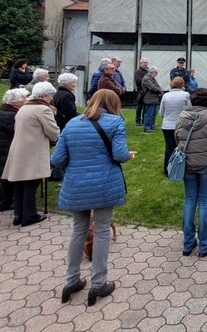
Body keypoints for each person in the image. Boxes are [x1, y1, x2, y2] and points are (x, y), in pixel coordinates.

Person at [51, 89, 133, 306]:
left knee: (78, 229)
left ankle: (71, 280)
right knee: (102, 229)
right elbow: (119, 154)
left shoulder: (72, 123)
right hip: (104, 183)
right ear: (113, 104)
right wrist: (128, 155)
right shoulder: (115, 123)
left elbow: (57, 158)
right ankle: (98, 283)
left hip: (77, 183)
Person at [2, 82, 60, 227]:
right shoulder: (42, 109)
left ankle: (18, 214)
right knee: (32, 182)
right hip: (33, 149)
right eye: (50, 95)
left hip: (18, 148)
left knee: (20, 182)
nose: (51, 98)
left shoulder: (24, 108)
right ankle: (29, 214)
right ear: (45, 95)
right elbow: (53, 132)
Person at [175, 88, 207, 258]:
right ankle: (204, 244)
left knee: (189, 201)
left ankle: (188, 243)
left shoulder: (181, 117)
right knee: (204, 202)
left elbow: (177, 138)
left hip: (187, 164)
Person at [0, 88, 29, 211]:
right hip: (7, 148)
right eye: (23, 99)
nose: (26, 101)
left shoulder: (7, 112)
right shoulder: (10, 115)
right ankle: (4, 202)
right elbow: (17, 131)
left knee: (6, 175)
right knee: (8, 176)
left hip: (6, 147)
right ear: (15, 102)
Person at [160, 77, 191, 175]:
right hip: (181, 124)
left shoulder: (165, 95)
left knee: (169, 147)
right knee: (182, 146)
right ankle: (180, 167)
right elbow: (190, 109)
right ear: (182, 85)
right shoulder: (186, 95)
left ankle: (167, 169)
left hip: (167, 125)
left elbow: (161, 112)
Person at [141, 66, 163, 133]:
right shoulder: (146, 78)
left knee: (154, 113)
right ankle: (147, 127)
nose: (157, 74)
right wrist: (160, 91)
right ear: (151, 72)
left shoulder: (152, 78)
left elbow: (158, 86)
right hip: (149, 99)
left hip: (154, 98)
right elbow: (152, 88)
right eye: (156, 72)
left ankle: (151, 126)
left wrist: (160, 90)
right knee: (149, 114)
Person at [134, 58, 149, 126]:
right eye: (144, 62)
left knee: (146, 106)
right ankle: (138, 120)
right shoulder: (138, 71)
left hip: (147, 91)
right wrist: (147, 82)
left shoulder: (148, 71)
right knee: (140, 106)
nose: (146, 64)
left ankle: (144, 120)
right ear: (140, 63)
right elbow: (138, 81)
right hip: (141, 91)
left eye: (146, 62)